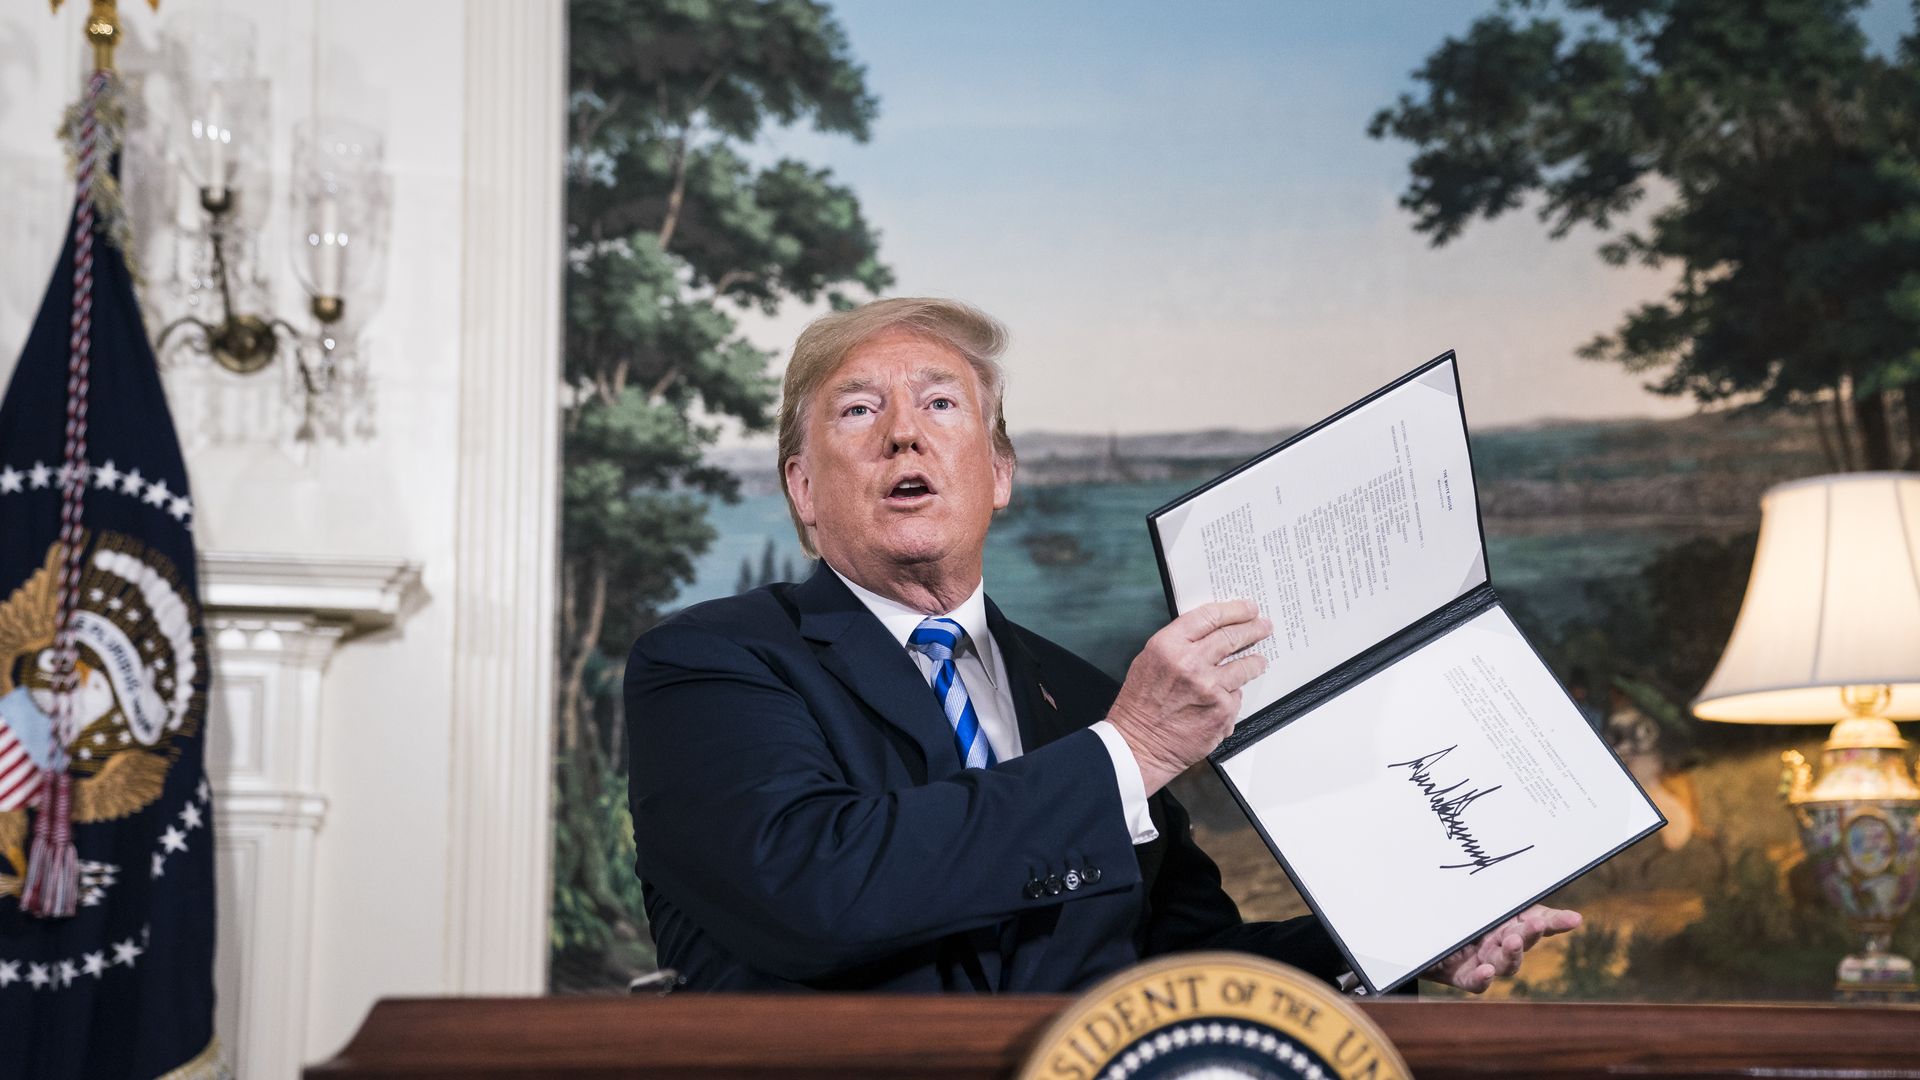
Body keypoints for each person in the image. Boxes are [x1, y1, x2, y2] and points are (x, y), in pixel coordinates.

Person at [625, 297, 1578, 992]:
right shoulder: (712, 664)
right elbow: (815, 891)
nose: (905, 435)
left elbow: (1177, 969)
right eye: (860, 410)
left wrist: (1394, 937)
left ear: (999, 475)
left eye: (941, 405)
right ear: (800, 487)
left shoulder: (1084, 698)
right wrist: (1133, 752)